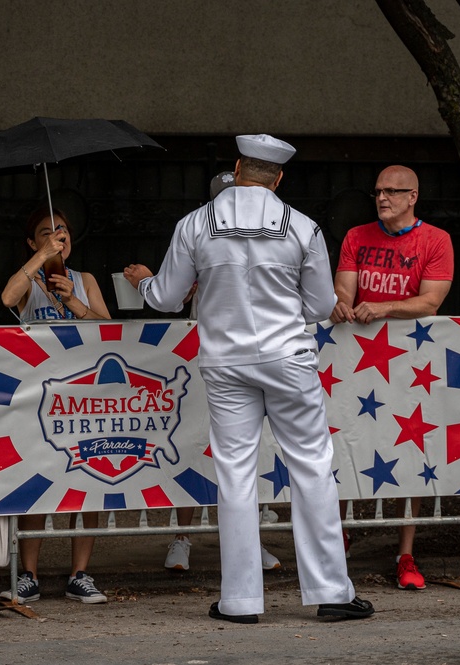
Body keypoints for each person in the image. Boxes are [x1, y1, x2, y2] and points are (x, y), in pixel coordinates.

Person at [124, 134, 373, 623]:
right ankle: (332, 593)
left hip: (225, 362)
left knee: (235, 475)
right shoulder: (302, 227)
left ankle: (239, 600)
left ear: (237, 168)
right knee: (312, 468)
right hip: (288, 358)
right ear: (279, 178)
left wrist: (144, 282)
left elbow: (168, 297)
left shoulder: (195, 223)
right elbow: (322, 306)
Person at [330, 165, 454, 591]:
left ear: (413, 196)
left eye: (392, 191)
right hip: (357, 358)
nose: (382, 198)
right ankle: (338, 536)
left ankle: (406, 552)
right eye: (378, 191)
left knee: (413, 448)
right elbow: (344, 287)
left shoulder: (436, 240)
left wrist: (382, 307)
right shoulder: (355, 236)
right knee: (346, 436)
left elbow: (432, 300)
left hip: (411, 362)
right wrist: (342, 304)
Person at [164, 171, 280, 574]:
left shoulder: (273, 230)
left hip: (258, 359)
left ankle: (250, 543)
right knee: (194, 447)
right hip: (210, 362)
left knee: (249, 455)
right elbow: (171, 297)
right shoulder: (198, 230)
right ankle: (182, 538)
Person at [0, 205, 111, 603]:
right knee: (40, 477)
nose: (56, 236)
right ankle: (28, 574)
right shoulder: (29, 277)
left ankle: (80, 574)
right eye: (45, 232)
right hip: (42, 393)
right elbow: (8, 296)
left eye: (61, 229)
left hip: (83, 398)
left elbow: (110, 331)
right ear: (33, 242)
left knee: (87, 481)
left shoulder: (85, 280)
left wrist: (77, 305)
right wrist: (40, 259)